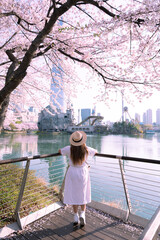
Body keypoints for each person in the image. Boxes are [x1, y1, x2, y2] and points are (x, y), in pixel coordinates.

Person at [59, 131, 97, 227]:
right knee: (83, 193)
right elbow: (96, 152)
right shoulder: (86, 149)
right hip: (83, 172)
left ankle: (75, 216)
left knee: (73, 193)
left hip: (72, 172)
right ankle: (82, 214)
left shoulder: (69, 149)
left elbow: (60, 151)